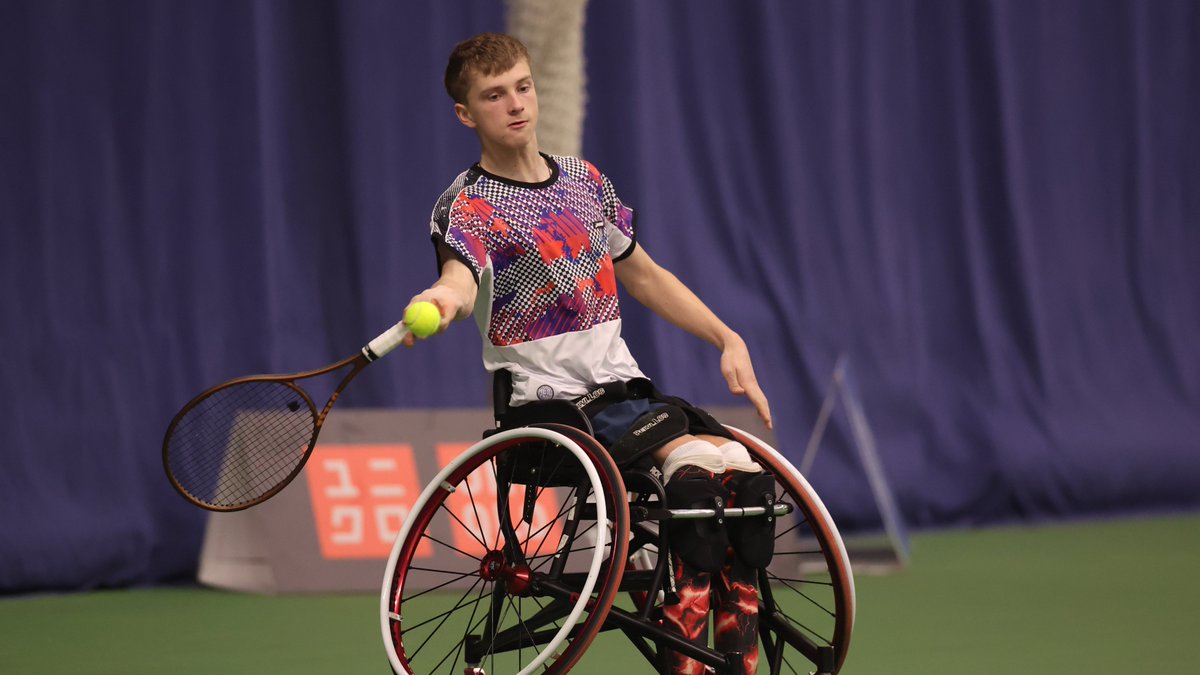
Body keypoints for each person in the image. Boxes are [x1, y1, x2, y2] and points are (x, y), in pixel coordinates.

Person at [404, 32, 774, 675]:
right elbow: (459, 281)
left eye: (522, 86)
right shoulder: (467, 207)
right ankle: (685, 649)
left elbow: (647, 276)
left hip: (624, 395)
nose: (516, 104)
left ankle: (733, 629)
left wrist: (727, 337)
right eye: (494, 95)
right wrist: (438, 302)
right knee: (691, 473)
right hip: (551, 412)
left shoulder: (584, 182)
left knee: (741, 472)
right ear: (466, 114)